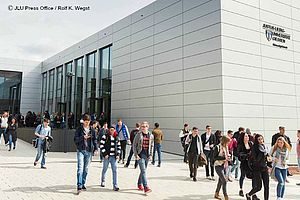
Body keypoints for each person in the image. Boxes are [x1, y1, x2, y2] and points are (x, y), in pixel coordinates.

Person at [74, 114, 98, 195]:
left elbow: (95, 140)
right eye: (85, 122)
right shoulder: (79, 129)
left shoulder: (92, 130)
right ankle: (79, 186)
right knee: (80, 168)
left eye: (88, 122)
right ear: (83, 121)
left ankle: (83, 183)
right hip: (80, 150)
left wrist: (96, 149)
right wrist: (83, 137)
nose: (87, 123)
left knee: (86, 169)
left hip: (89, 151)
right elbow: (75, 140)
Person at [246, 134, 271, 200]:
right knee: (259, 187)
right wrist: (262, 153)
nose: (261, 141)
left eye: (261, 139)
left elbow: (267, 157)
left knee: (267, 186)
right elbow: (256, 159)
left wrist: (269, 162)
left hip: (264, 168)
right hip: (257, 169)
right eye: (259, 139)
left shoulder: (265, 147)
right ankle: (249, 194)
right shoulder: (255, 148)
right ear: (257, 140)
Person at [133, 121, 154, 194]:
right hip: (140, 155)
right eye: (142, 126)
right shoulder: (138, 135)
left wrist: (151, 155)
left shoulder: (151, 135)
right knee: (144, 171)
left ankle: (139, 184)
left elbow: (152, 146)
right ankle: (146, 187)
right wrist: (136, 155)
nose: (143, 128)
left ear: (148, 127)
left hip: (147, 156)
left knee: (143, 171)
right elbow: (134, 145)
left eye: (145, 126)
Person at [100, 126, 121, 191]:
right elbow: (101, 145)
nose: (112, 131)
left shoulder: (117, 137)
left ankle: (115, 185)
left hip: (113, 157)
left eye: (113, 130)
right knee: (105, 169)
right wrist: (105, 154)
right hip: (107, 156)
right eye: (111, 130)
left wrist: (118, 154)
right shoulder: (105, 136)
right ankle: (103, 181)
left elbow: (119, 147)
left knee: (115, 171)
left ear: (114, 130)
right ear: (109, 130)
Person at [237, 132, 254, 198]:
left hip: (251, 163)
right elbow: (239, 155)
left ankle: (253, 192)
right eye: (245, 136)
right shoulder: (240, 145)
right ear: (242, 137)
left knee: (253, 177)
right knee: (242, 176)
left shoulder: (251, 143)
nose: (247, 137)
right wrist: (247, 155)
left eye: (247, 136)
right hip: (244, 163)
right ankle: (241, 189)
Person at [213, 135, 230, 200]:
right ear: (224, 141)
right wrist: (224, 158)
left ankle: (216, 193)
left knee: (220, 181)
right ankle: (226, 196)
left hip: (225, 165)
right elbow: (214, 157)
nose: (228, 143)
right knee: (224, 180)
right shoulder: (217, 147)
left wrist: (228, 157)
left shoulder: (226, 147)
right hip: (218, 165)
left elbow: (227, 155)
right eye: (227, 142)